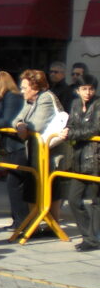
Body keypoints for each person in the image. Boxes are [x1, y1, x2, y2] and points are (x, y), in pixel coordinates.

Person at [13, 69, 64, 229]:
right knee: (32, 187)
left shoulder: (46, 98)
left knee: (50, 189)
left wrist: (23, 126)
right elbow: (17, 119)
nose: (22, 91)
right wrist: (20, 124)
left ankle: (52, 226)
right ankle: (35, 224)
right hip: (35, 153)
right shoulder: (31, 101)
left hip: (49, 155)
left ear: (34, 87)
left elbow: (36, 125)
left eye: (24, 87)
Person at [58, 74, 100, 250]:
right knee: (74, 199)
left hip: (95, 157)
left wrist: (72, 134)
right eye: (84, 89)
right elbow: (72, 123)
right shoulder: (75, 104)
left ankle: (92, 239)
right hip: (78, 157)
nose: (88, 92)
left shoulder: (98, 105)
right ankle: (88, 235)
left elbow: (96, 128)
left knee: (96, 201)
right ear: (78, 90)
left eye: (91, 88)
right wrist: (67, 130)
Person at [0, 71, 26, 230]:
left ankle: (21, 221)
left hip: (18, 146)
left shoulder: (12, 97)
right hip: (10, 146)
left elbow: (6, 121)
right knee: (12, 183)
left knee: (15, 183)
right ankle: (17, 220)